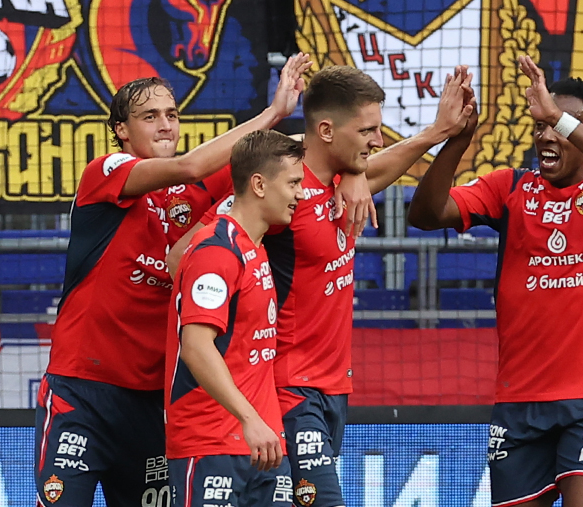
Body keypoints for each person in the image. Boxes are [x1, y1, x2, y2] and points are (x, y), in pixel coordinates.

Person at [168, 65, 475, 507]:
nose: (377, 140)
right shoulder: (279, 196)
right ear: (327, 131)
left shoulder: (335, 183)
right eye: (367, 131)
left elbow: (374, 167)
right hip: (288, 387)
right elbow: (184, 254)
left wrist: (427, 137)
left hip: (334, 387)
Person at [34, 53, 312, 507]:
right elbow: (190, 166)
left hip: (152, 400)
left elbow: (285, 161)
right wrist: (273, 113)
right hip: (82, 393)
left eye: (172, 115)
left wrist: (354, 174)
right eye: (149, 117)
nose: (165, 125)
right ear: (122, 130)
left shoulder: (195, 192)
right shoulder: (105, 172)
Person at [408, 55, 583, 507]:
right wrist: (457, 140)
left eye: (557, 125)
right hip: (519, 402)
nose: (546, 135)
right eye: (540, 125)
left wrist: (559, 119)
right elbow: (425, 214)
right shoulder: (510, 187)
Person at [166, 130, 305, 507]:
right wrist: (249, 419)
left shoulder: (253, 248)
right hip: (212, 443)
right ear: (259, 185)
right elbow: (195, 347)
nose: (300, 193)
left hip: (263, 445)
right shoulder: (217, 250)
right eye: (293, 183)